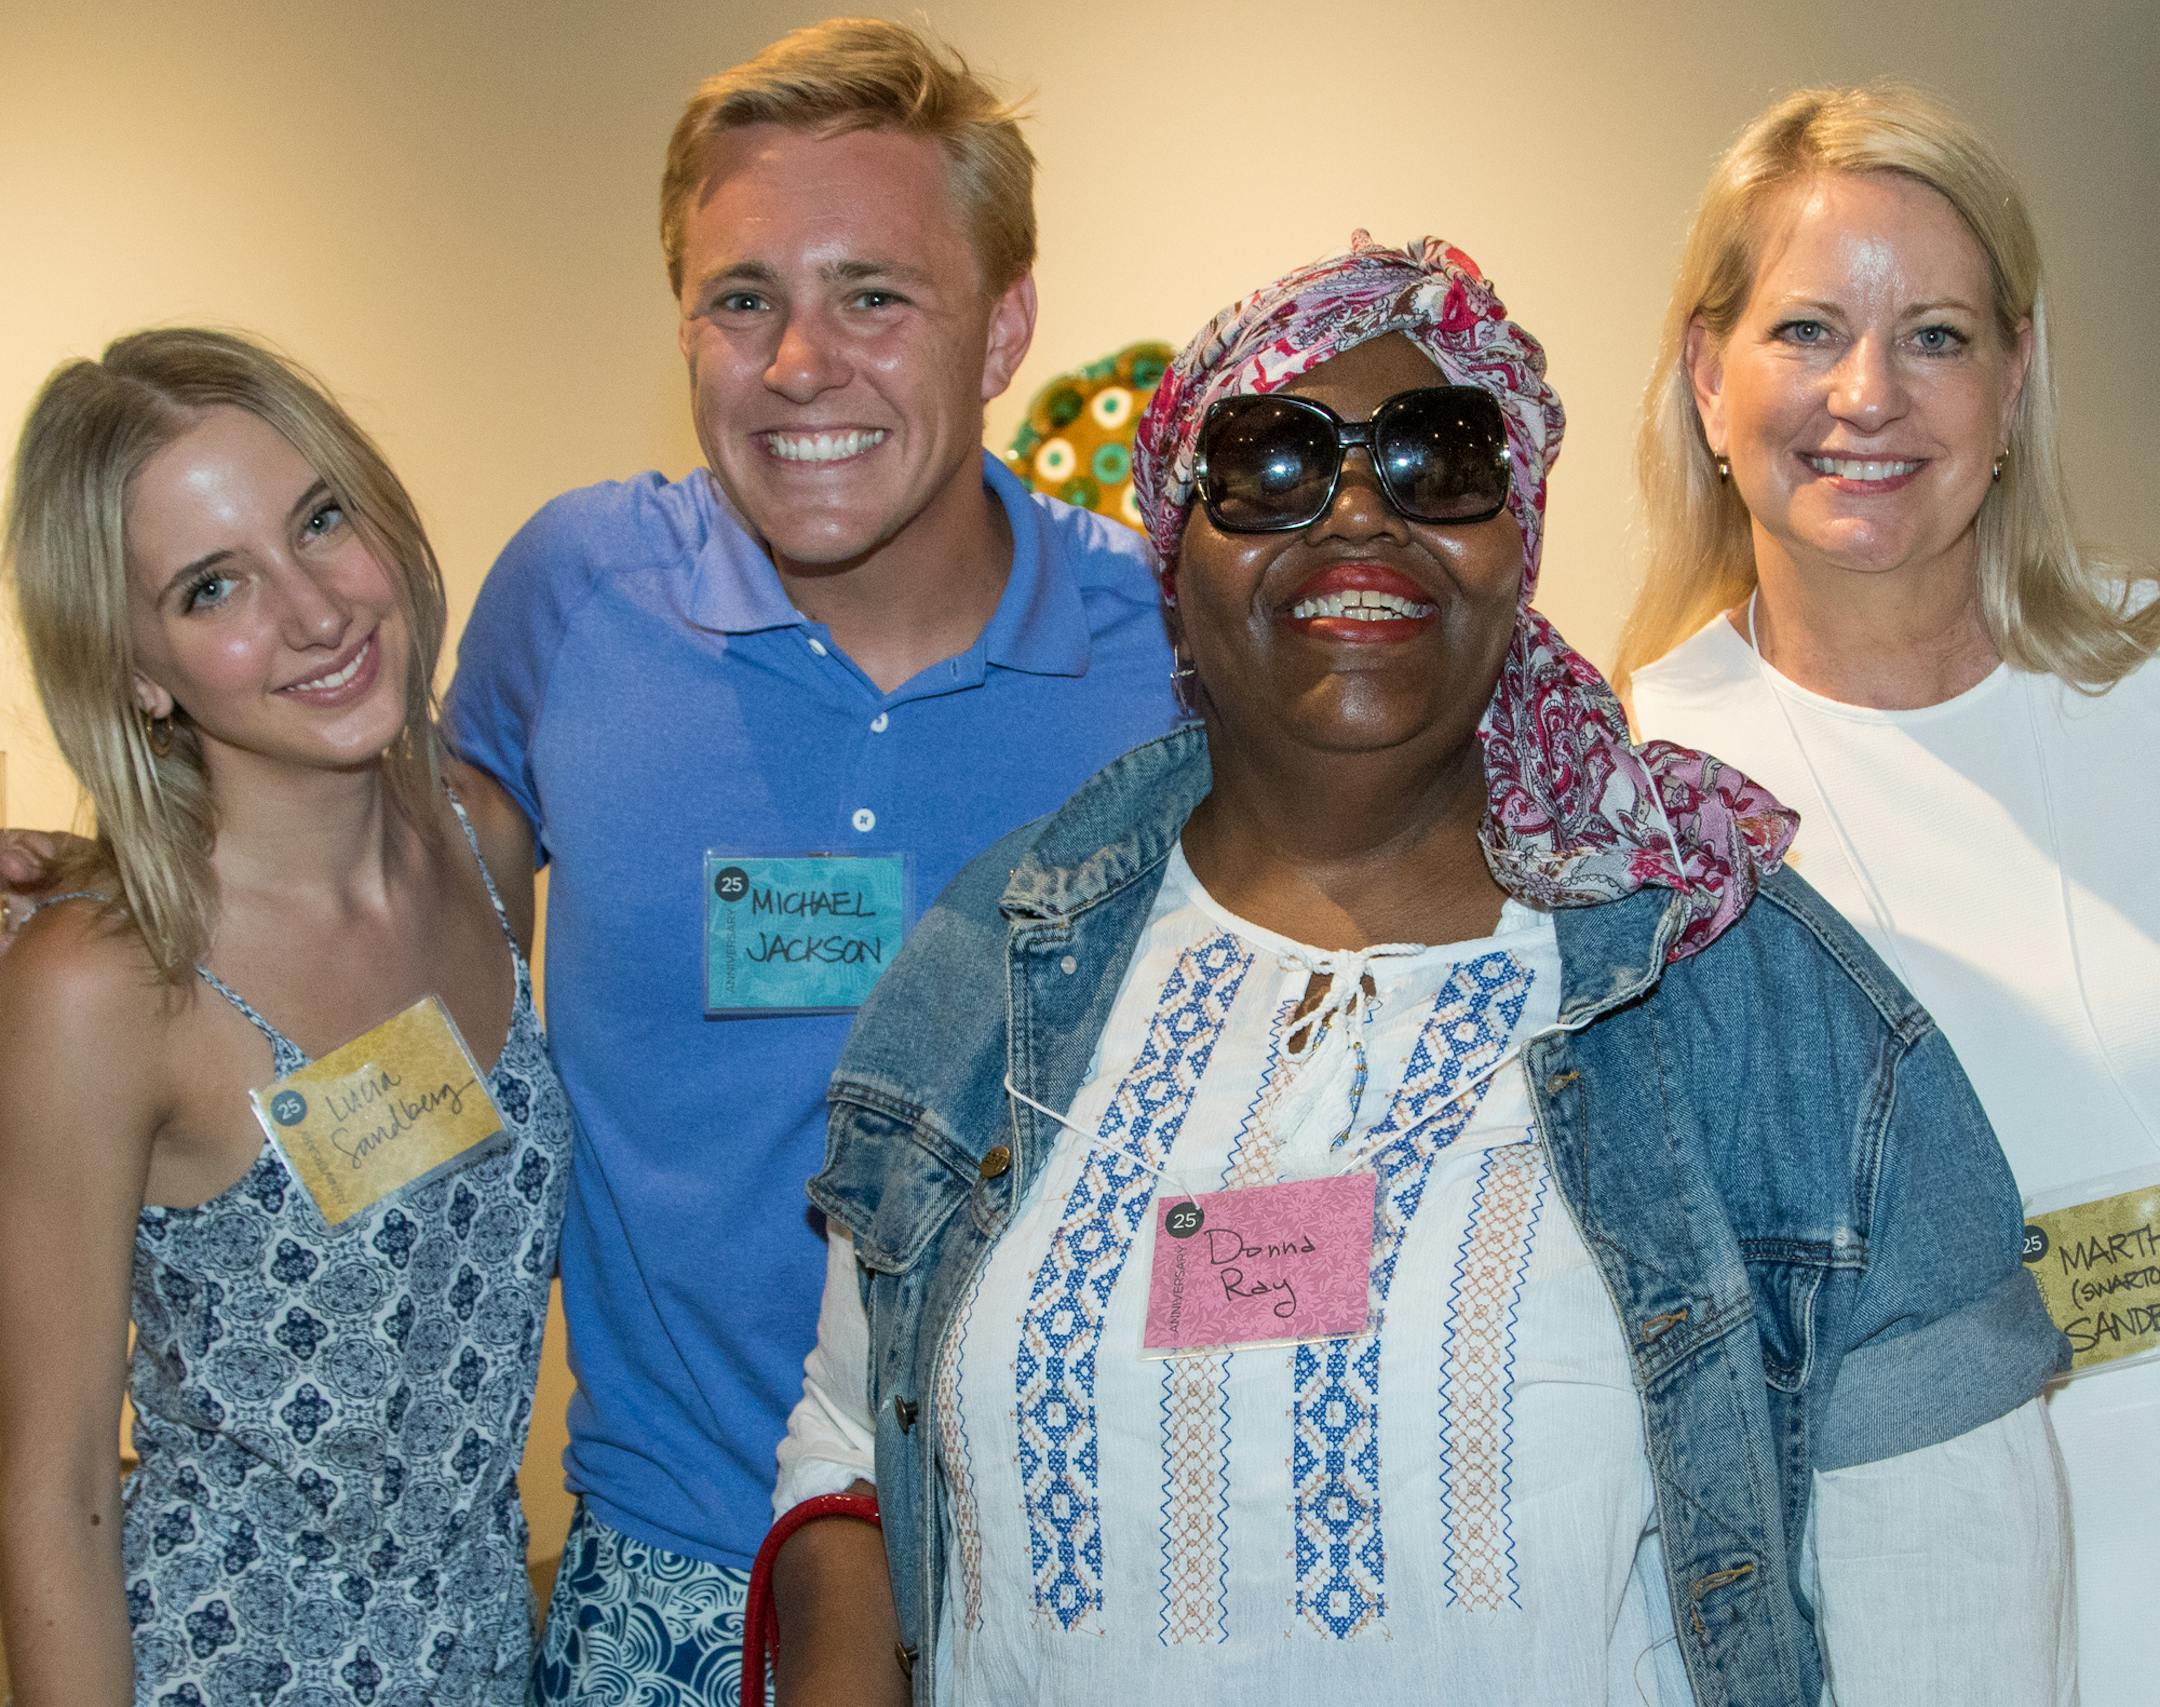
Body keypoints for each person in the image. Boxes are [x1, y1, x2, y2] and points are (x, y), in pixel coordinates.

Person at [760, 235, 2075, 1707]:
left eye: (1436, 458)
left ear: (1515, 547)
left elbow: (1959, 1616)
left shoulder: (1759, 1005)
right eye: (1271, 464)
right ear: (1172, 563)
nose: (1360, 518)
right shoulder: (995, 961)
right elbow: (847, 1438)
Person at [436, 20, 1176, 1698]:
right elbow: (374, 904)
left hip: (1072, 1592)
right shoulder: (575, 594)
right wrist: (126, 894)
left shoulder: (1168, 648)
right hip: (670, 1585)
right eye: (742, 297)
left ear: (1006, 326)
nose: (796, 365)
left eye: (874, 297)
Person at [1620, 83, 2158, 1704]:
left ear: (2016, 379)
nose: (1868, 394)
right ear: (1709, 380)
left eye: (1934, 335)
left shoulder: (2146, 688)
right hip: (1899, 1626)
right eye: (1804, 329)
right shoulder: (1635, 805)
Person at [0, 329, 571, 1703]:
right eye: (213, 589)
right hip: (227, 1664)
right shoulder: (101, 990)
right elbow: (52, 1491)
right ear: (137, 669)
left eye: (320, 520)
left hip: (488, 1650)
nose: (316, 611)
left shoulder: (481, 845)